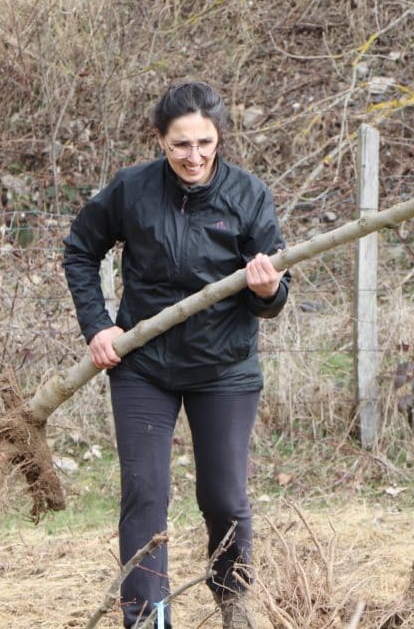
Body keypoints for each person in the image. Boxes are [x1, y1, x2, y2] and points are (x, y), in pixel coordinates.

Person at [62, 80, 290, 629]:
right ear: (160, 141)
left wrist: (266, 290)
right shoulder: (132, 189)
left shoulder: (248, 195)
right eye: (181, 145)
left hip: (225, 369)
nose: (195, 157)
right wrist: (98, 326)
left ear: (220, 139)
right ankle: (147, 618)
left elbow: (276, 297)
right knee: (145, 496)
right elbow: (80, 251)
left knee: (224, 498)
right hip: (144, 366)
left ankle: (233, 601)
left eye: (205, 143)